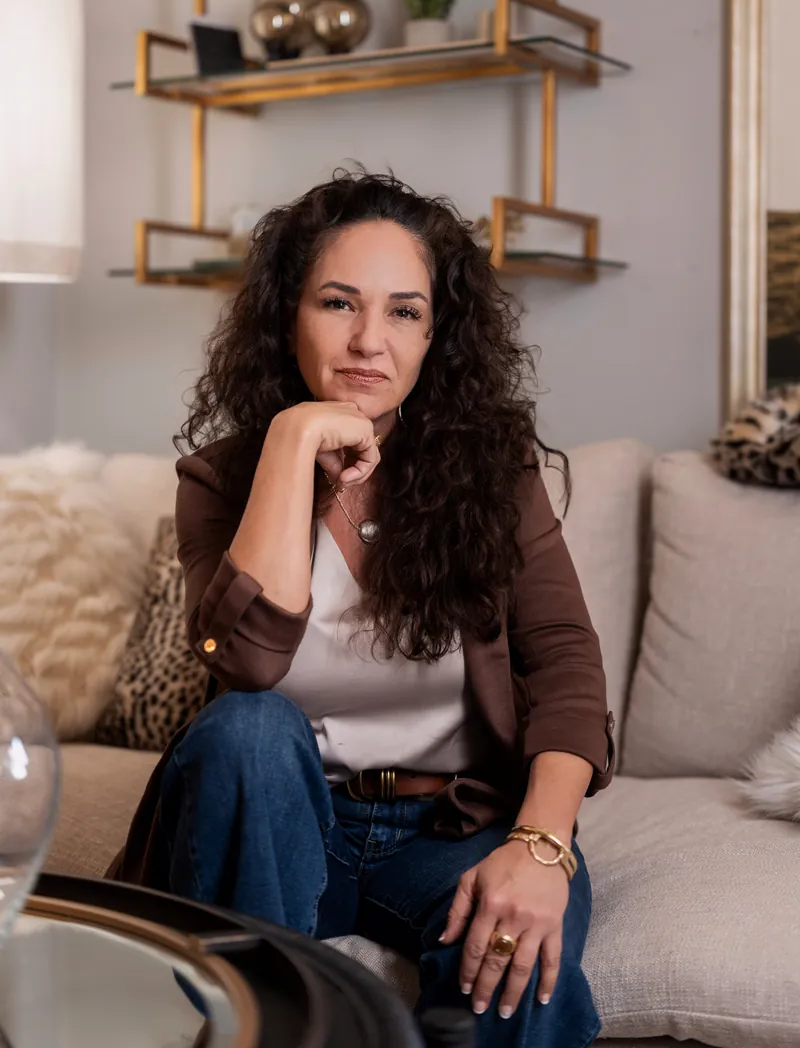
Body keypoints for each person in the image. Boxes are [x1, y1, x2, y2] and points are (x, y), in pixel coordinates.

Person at [111, 170, 616, 1048]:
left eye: (405, 312)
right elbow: (247, 665)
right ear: (288, 316)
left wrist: (542, 848)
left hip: (448, 826)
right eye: (338, 303)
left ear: (437, 336)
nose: (369, 341)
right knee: (247, 727)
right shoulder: (219, 481)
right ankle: (269, 1014)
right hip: (279, 823)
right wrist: (291, 442)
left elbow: (566, 659)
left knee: (517, 977)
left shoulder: (494, 475)